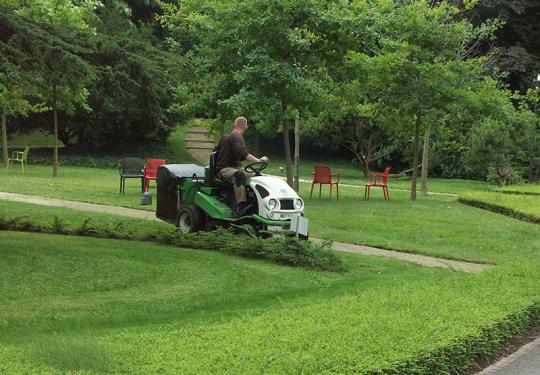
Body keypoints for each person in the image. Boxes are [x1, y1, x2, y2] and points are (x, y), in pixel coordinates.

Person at [215, 117, 268, 215]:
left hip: (234, 167)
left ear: (235, 124)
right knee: (239, 175)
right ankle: (241, 206)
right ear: (246, 127)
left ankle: (262, 204)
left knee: (257, 175)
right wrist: (259, 160)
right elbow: (242, 154)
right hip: (224, 169)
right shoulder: (235, 136)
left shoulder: (227, 136)